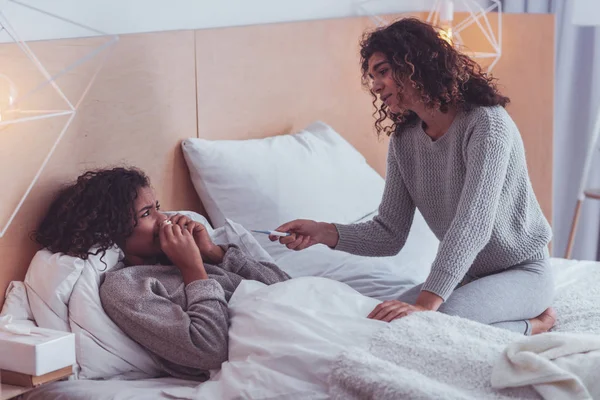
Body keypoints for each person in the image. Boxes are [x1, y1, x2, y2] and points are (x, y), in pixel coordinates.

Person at [271, 18, 556, 336]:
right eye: (372, 76)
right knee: (376, 325)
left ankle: (535, 326)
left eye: (382, 71)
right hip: (470, 276)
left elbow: (472, 225)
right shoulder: (404, 141)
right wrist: (322, 232)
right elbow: (388, 234)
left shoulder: (487, 124)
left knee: (427, 326)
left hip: (523, 270)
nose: (376, 86)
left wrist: (425, 304)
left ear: (415, 65)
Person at [33, 167, 290, 381]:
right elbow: (209, 350)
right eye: (147, 214)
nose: (164, 219)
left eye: (157, 207)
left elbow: (285, 286)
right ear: (112, 230)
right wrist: (193, 271)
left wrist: (213, 253)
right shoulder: (125, 287)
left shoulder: (176, 257)